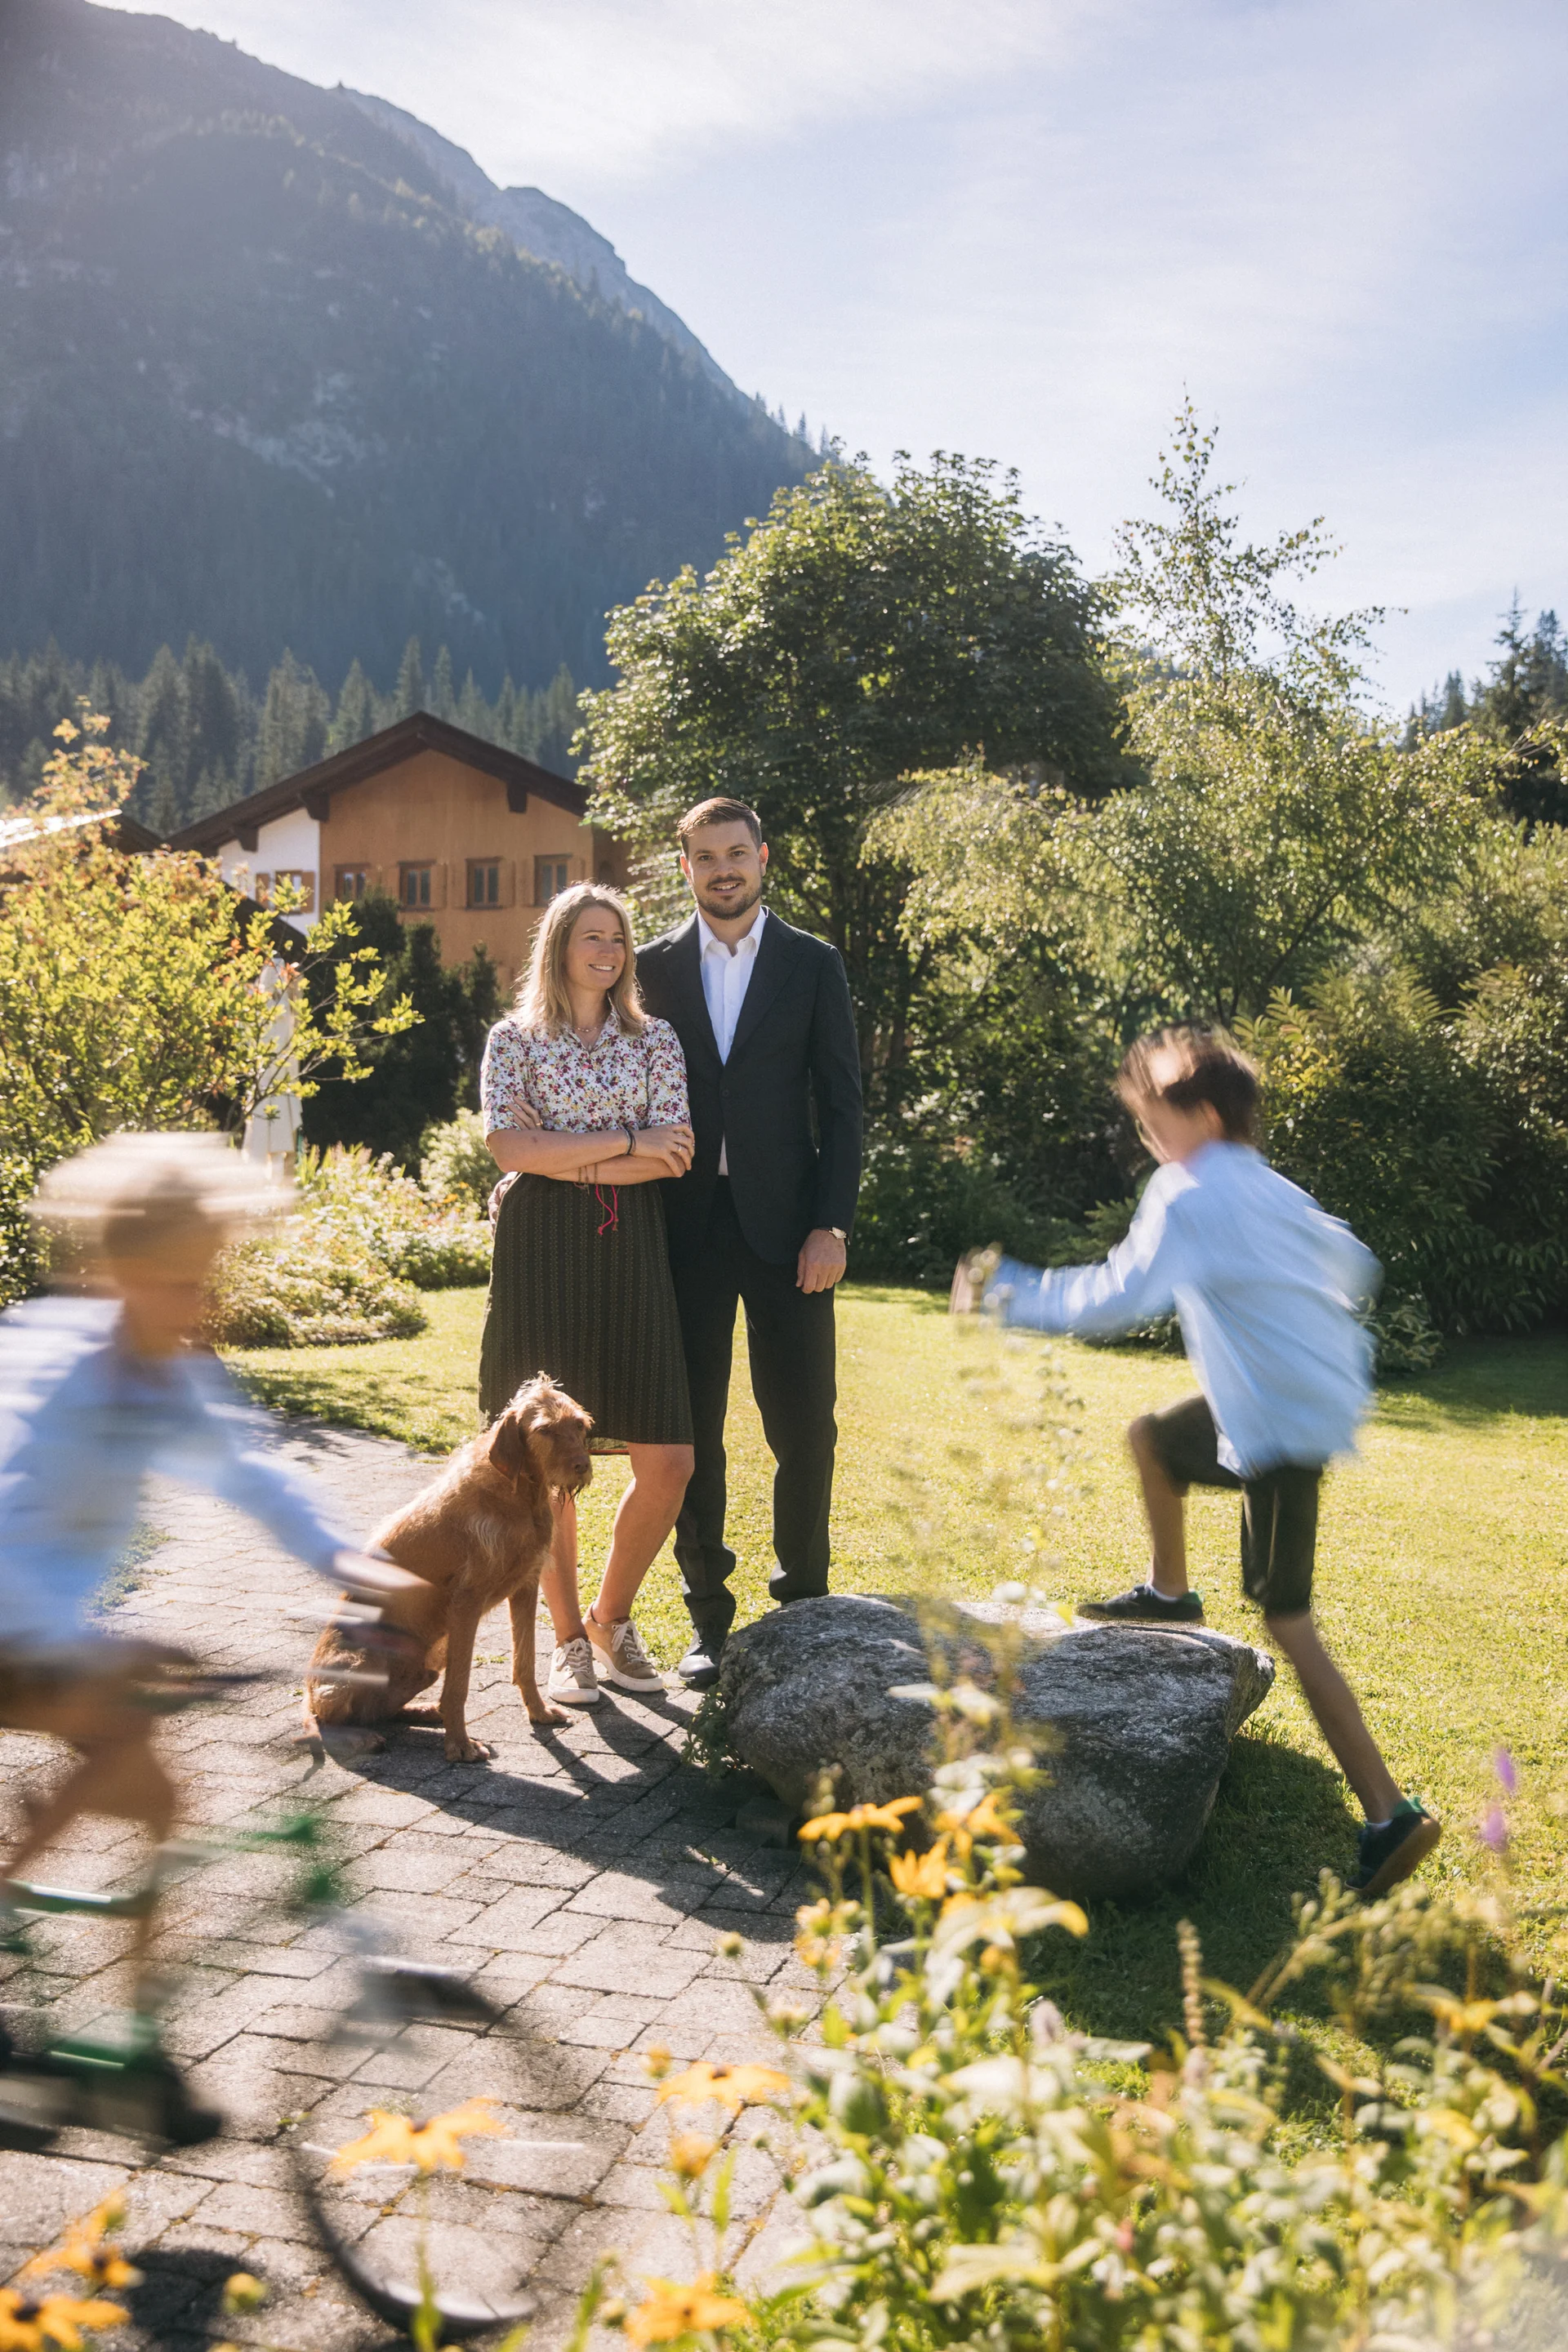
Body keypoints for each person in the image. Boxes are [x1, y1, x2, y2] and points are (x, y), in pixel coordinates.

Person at [951, 1023, 1442, 1900]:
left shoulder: (1189, 1193)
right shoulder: (1270, 1186)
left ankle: (1388, 1813)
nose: (1147, 1138)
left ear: (1205, 1117)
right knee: (1155, 1436)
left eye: (1153, 1120)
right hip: (1283, 1401)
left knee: (1287, 1616)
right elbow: (1355, 1262)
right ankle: (1170, 1592)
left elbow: (1118, 1295)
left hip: (1283, 1425)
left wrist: (1008, 1292)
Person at [0, 1133, 420, 2002]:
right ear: (120, 1273)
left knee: (157, 1804)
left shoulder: (162, 1374)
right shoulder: (59, 1376)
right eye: (179, 1282)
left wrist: (348, 1558)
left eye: (204, 1279)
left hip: (49, 1630)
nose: (197, 1303)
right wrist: (82, 1645)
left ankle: (135, 2026)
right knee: (124, 1740)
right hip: (15, 1619)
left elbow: (253, 1475)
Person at [636, 797, 863, 1689]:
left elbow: (841, 1106)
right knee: (691, 1430)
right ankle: (707, 1618)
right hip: (682, 1228)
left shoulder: (813, 963)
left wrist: (831, 1225)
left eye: (737, 853)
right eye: (706, 857)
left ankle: (803, 1602)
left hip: (791, 1232)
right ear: (685, 866)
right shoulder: (650, 967)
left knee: (805, 1425)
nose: (723, 869)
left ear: (763, 858)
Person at [479, 882, 697, 1704]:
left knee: (669, 1458)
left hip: (631, 1246)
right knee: (549, 1461)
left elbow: (675, 1154)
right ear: (560, 946)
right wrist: (627, 1141)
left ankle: (611, 1618)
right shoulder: (514, 1039)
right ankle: (568, 1639)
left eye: (618, 939)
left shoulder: (655, 1039)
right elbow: (507, 1145)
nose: (607, 951)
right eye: (591, 937)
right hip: (540, 1251)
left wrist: (562, 1155)